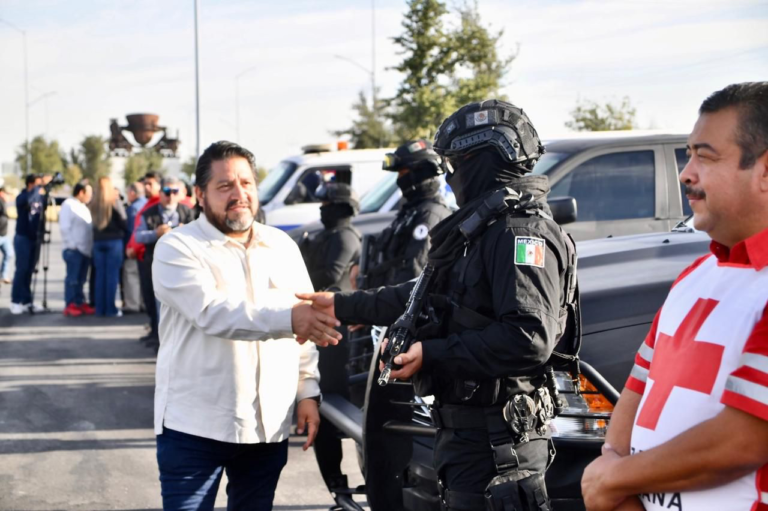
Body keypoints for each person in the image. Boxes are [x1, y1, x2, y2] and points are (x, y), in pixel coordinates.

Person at [300, 100, 578, 511]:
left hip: (500, 448)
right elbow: (425, 295)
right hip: (468, 439)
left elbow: (529, 338)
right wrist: (342, 305)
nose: (451, 175)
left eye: (457, 162)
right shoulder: (482, 230)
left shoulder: (520, 234)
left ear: (485, 158)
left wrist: (433, 353)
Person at [581, 82, 768, 511]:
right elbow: (637, 390)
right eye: (688, 154)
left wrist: (611, 481)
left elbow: (745, 441)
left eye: (705, 155)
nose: (686, 172)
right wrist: (614, 479)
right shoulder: (694, 276)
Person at [152, 140, 342, 511]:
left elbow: (303, 330)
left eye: (246, 183)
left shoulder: (282, 245)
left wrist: (307, 391)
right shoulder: (177, 248)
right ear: (200, 195)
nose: (238, 194)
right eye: (224, 186)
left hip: (266, 427)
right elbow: (213, 311)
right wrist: (289, 318)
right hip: (194, 427)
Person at [298, 182, 361, 496]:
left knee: (333, 404)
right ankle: (337, 487)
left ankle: (346, 485)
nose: (322, 209)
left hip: (339, 329)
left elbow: (327, 275)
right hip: (321, 324)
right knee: (324, 406)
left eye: (327, 204)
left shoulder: (346, 237)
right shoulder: (324, 235)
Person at [355, 139, 452, 289]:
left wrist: (375, 301)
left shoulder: (430, 215)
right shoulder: (410, 213)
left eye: (403, 173)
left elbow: (414, 274)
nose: (400, 179)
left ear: (419, 173)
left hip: (396, 307)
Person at [134, 176, 194, 348]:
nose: (170, 196)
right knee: (153, 302)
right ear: (160, 193)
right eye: (167, 192)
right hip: (153, 265)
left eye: (174, 192)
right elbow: (138, 236)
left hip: (182, 266)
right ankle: (158, 336)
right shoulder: (149, 213)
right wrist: (156, 234)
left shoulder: (188, 212)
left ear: (180, 194)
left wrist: (187, 232)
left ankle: (174, 342)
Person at [126, 171, 161, 342]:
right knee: (148, 297)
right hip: (141, 256)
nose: (147, 187)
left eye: (151, 184)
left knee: (156, 299)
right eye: (145, 183)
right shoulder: (147, 205)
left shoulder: (158, 206)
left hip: (150, 256)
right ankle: (154, 330)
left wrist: (135, 246)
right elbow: (137, 232)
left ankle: (157, 333)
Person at [10, 173, 51, 314]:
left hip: (35, 238)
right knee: (21, 270)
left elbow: (49, 202)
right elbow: (27, 199)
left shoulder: (39, 197)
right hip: (23, 238)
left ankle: (27, 301)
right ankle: (15, 301)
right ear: (30, 184)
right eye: (38, 184)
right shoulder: (22, 196)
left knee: (29, 271)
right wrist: (39, 186)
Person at [90, 176, 127, 317]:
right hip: (114, 241)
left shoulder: (93, 203)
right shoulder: (114, 202)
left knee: (100, 276)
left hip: (98, 241)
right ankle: (110, 309)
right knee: (111, 277)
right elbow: (124, 222)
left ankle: (100, 308)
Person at [59, 180, 94, 317]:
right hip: (74, 250)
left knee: (81, 280)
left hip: (85, 250)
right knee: (72, 279)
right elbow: (64, 227)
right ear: (81, 192)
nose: (90, 196)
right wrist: (72, 245)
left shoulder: (83, 206)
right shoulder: (68, 205)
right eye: (89, 193)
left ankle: (79, 302)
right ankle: (70, 304)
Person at [122, 182, 147, 313]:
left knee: (131, 275)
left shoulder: (133, 208)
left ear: (132, 192)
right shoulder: (148, 204)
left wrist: (130, 247)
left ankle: (132, 304)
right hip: (147, 248)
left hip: (134, 247)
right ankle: (143, 302)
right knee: (144, 276)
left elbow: (132, 231)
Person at [0, 183, 13, 286]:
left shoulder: (3, 202)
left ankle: (3, 275)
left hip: (4, 234)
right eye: (6, 193)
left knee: (9, 253)